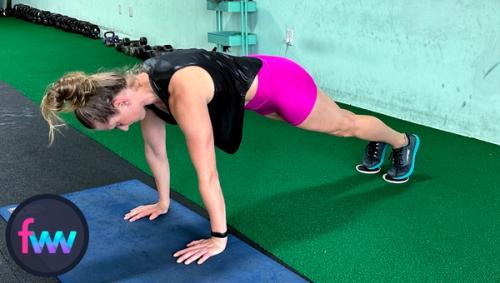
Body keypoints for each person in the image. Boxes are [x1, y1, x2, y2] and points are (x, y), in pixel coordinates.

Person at [40, 48, 420, 265]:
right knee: (336, 123)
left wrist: (219, 237)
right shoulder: (142, 93)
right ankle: (391, 142)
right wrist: (162, 200)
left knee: (343, 125)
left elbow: (208, 172)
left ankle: (401, 141)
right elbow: (154, 150)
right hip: (249, 88)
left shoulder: (182, 90)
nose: (125, 128)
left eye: (118, 123)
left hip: (278, 83)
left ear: (121, 101)